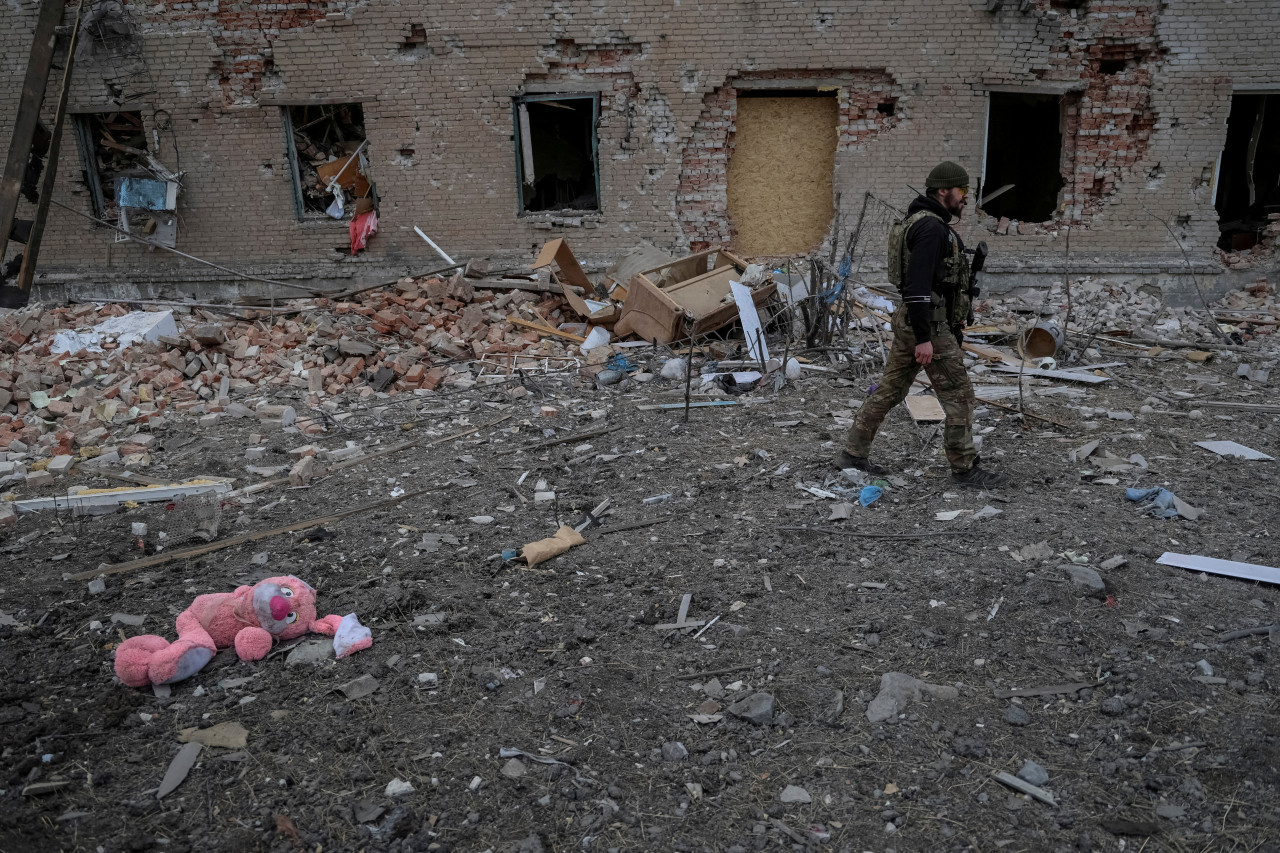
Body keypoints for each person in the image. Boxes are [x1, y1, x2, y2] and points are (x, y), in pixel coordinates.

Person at [837, 161, 1009, 489]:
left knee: (890, 389)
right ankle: (965, 469)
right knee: (960, 395)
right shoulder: (931, 229)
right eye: (961, 191)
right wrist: (924, 338)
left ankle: (852, 453)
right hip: (928, 325)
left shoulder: (920, 222)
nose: (964, 197)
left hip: (917, 321)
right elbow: (917, 287)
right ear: (943, 191)